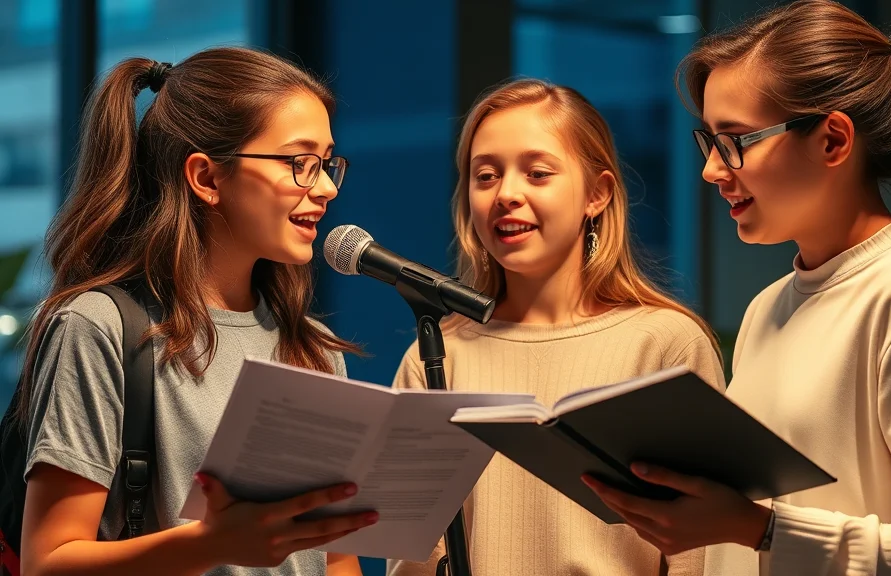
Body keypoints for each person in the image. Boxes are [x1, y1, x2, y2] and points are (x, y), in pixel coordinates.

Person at [583, 1, 891, 574]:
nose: (712, 170)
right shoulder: (768, 309)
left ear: (832, 141)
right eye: (707, 142)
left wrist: (755, 527)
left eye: (734, 140)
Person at [16, 47, 377, 575]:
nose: (324, 187)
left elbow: (335, 556)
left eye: (326, 163)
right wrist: (211, 545)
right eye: (300, 162)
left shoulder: (314, 348)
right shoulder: (100, 327)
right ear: (207, 178)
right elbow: (46, 562)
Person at [385, 79, 726, 576]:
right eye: (485, 176)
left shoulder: (664, 344)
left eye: (537, 173)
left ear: (597, 194)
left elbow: (702, 556)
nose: (506, 194)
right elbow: (410, 557)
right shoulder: (436, 355)